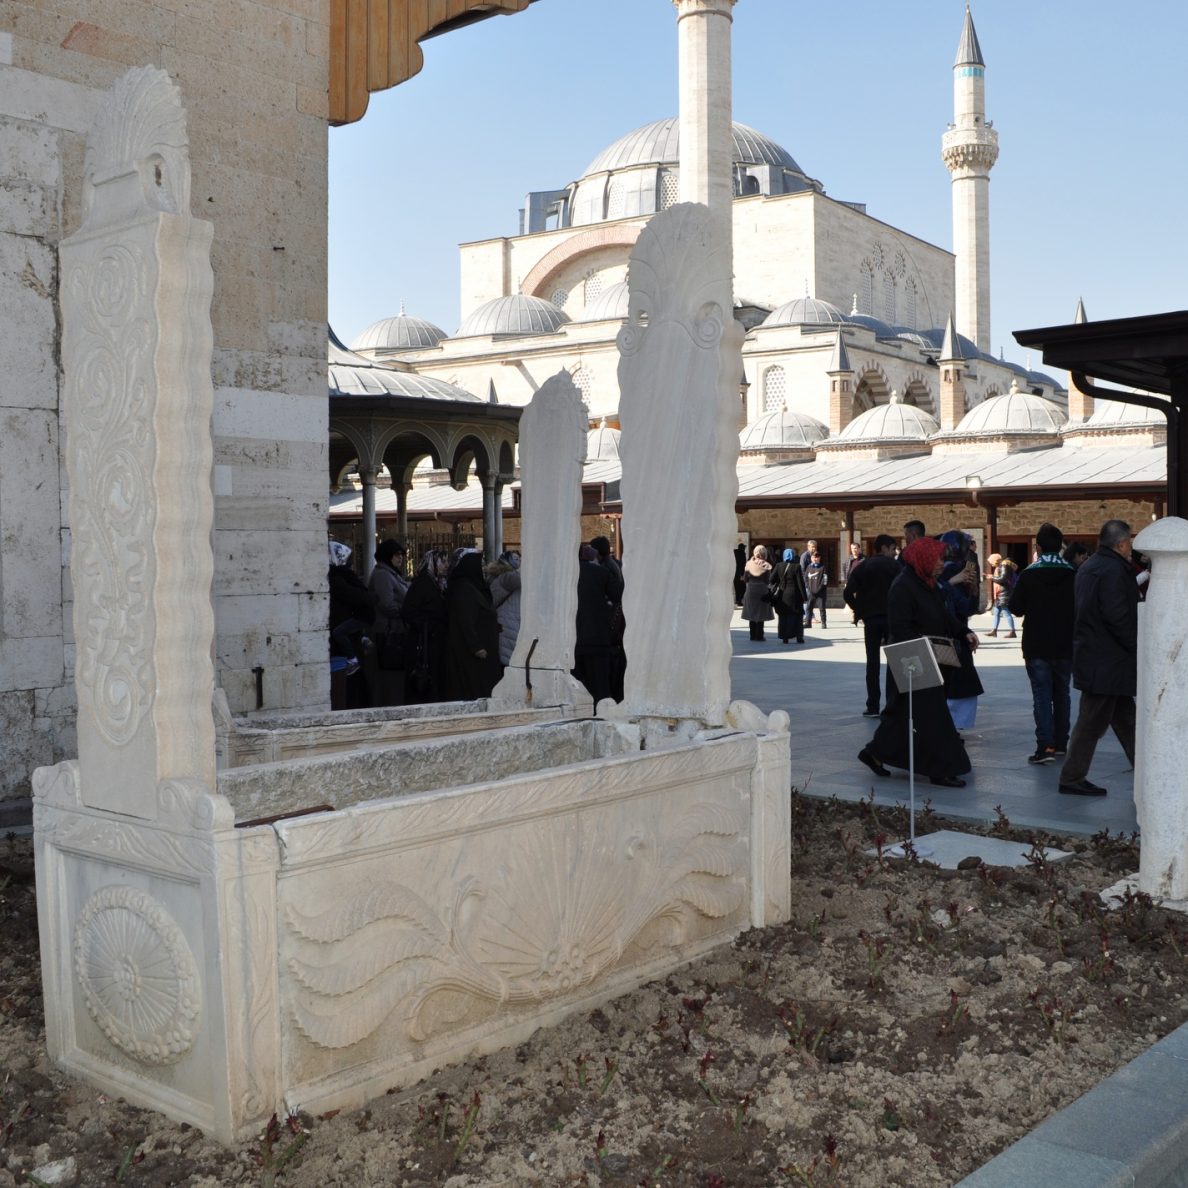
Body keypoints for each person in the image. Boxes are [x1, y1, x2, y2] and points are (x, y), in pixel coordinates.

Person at [858, 536, 975, 788]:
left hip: (924, 656)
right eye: (938, 559)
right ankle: (940, 769)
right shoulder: (902, 586)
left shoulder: (927, 583)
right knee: (932, 714)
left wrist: (962, 632)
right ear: (922, 559)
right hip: (912, 658)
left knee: (901, 714)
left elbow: (942, 615)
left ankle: (875, 752)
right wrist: (925, 648)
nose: (942, 564)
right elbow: (900, 628)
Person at [1057, 520, 1138, 796]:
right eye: (1130, 542)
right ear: (1121, 543)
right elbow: (1117, 616)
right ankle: (1071, 777)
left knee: (1127, 720)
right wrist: (1136, 645)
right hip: (1107, 660)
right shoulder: (1113, 570)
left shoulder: (1090, 566)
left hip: (1096, 656)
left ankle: (1147, 770)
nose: (1131, 547)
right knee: (1092, 722)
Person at [1008, 522, 1075, 765]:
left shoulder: (1028, 574)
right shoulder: (1072, 573)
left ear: (1037, 546)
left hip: (1036, 644)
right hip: (1064, 643)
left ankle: (1044, 746)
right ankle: (1060, 743)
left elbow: (1015, 607)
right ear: (1060, 546)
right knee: (1062, 694)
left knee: (1041, 695)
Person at [844, 534, 898, 716]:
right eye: (893, 549)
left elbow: (847, 593)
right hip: (892, 619)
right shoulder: (896, 566)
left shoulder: (862, 566)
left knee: (872, 663)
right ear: (884, 548)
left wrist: (859, 610)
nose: (894, 553)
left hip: (871, 620)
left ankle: (872, 705)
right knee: (894, 662)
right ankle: (892, 706)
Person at [937, 530, 984, 729]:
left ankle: (950, 729)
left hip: (957, 632)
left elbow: (967, 607)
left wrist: (973, 589)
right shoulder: (944, 572)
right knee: (952, 685)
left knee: (955, 684)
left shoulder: (964, 568)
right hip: (946, 635)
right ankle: (949, 729)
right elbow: (944, 601)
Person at [443, 550, 502, 700]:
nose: (482, 567)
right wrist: (477, 647)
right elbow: (465, 621)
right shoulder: (464, 588)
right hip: (474, 655)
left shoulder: (475, 586)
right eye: (479, 564)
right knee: (476, 689)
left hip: (485, 650)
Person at [573, 543, 625, 705]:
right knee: (599, 686)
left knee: (576, 685)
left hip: (572, 638)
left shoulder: (564, 575)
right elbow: (618, 594)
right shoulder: (600, 572)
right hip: (597, 637)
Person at [402, 548, 449, 702]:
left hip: (432, 640)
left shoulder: (437, 583)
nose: (446, 565)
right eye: (442, 561)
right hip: (423, 643)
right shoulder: (422, 583)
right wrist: (428, 626)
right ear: (431, 563)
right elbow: (408, 611)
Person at [327, 541, 375, 675]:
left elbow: (353, 595)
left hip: (344, 624)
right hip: (349, 624)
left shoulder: (337, 576)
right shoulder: (343, 574)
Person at [368, 539, 408, 670]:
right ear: (387, 555)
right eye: (396, 554)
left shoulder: (391, 573)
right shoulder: (383, 575)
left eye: (401, 554)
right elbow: (386, 605)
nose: (400, 557)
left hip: (394, 629)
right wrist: (408, 610)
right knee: (390, 674)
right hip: (388, 631)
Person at [486, 550, 521, 667]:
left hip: (508, 623)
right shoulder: (506, 578)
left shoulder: (499, 577)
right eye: (516, 559)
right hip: (507, 625)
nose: (519, 562)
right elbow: (522, 577)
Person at [769, 547, 808, 644]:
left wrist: (779, 581)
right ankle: (799, 637)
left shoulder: (779, 566)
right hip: (795, 595)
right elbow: (800, 583)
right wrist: (804, 597)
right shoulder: (796, 567)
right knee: (797, 617)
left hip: (782, 595)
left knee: (783, 616)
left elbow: (771, 579)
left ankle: (784, 637)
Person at [742, 545, 774, 641]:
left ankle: (752, 635)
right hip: (762, 590)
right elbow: (767, 580)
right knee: (761, 614)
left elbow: (745, 578)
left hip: (751, 590)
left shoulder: (748, 564)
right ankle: (759, 635)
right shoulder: (766, 565)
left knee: (751, 613)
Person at [984, 554, 1018, 637]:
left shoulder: (1004, 566)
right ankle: (994, 631)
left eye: (991, 562)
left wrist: (992, 578)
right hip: (1000, 594)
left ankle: (1012, 631)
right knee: (996, 612)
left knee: (1006, 612)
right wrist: (992, 577)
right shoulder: (1000, 566)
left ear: (995, 560)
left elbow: (1003, 579)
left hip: (1004, 593)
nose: (991, 564)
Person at [803, 551, 829, 628]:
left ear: (819, 558)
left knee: (822, 608)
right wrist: (808, 587)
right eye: (814, 557)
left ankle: (823, 623)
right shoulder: (809, 567)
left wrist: (820, 588)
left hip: (821, 592)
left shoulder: (823, 567)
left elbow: (825, 580)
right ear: (811, 558)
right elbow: (806, 578)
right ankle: (808, 623)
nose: (815, 559)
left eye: (817, 557)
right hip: (811, 592)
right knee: (809, 608)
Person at [844, 542, 864, 623]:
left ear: (859, 549)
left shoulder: (863, 559)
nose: (854, 550)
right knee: (851, 599)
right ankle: (855, 616)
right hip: (852, 582)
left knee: (861, 600)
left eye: (855, 548)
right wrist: (846, 581)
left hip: (861, 583)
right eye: (852, 548)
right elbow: (845, 570)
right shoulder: (849, 559)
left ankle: (861, 617)